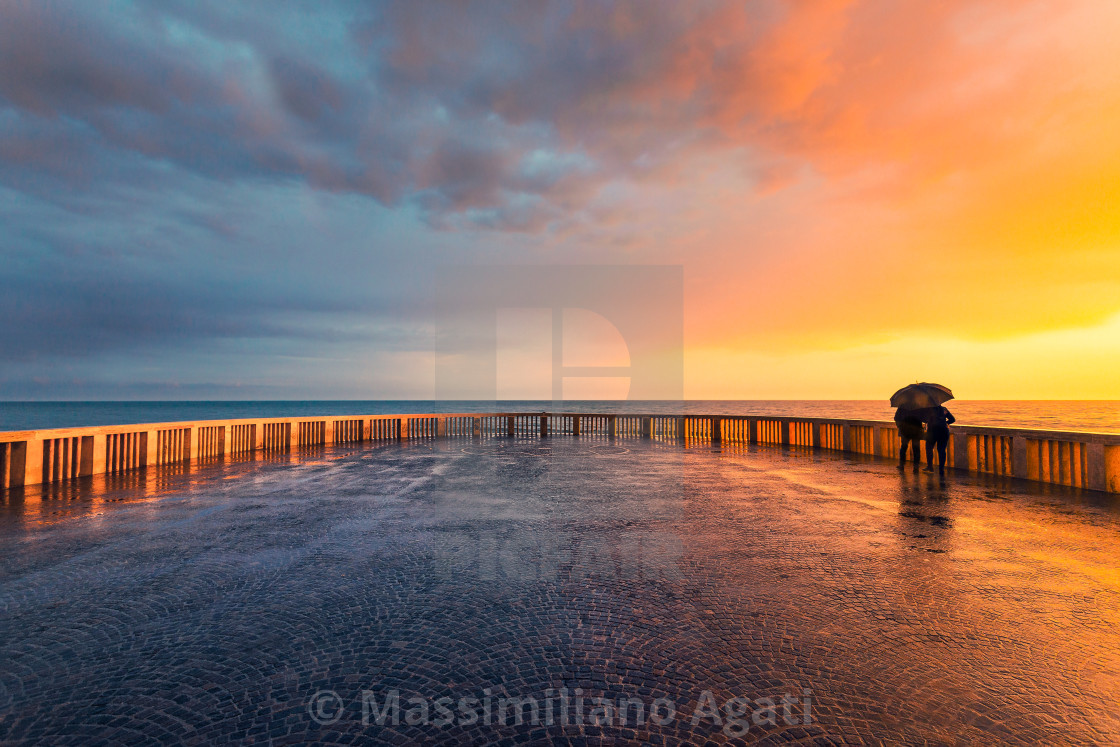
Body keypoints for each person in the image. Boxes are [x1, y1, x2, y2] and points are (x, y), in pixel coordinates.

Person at [924, 405, 956, 471]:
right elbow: (952, 419)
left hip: (932, 432)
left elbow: (924, 420)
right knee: (941, 450)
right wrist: (945, 423)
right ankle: (941, 469)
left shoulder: (928, 409)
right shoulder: (944, 409)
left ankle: (930, 467)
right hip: (943, 431)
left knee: (929, 448)